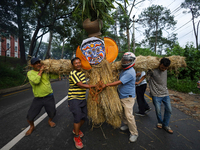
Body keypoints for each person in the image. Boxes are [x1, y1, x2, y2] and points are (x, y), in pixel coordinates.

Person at [102, 52, 138, 142]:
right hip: (122, 95)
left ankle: (134, 133)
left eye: (127, 61)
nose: (125, 62)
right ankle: (126, 125)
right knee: (123, 113)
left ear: (132, 61)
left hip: (128, 98)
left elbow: (119, 82)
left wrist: (106, 85)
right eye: (124, 60)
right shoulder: (124, 70)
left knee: (129, 115)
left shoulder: (130, 72)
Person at [68, 57, 96, 149]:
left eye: (79, 63)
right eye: (76, 63)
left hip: (82, 99)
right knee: (77, 118)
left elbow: (87, 79)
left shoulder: (82, 73)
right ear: (73, 65)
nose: (78, 64)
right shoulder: (73, 73)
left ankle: (76, 129)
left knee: (84, 117)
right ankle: (76, 137)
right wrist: (95, 86)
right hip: (74, 99)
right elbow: (81, 85)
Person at [26, 58, 56, 136]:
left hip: (49, 96)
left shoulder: (46, 72)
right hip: (38, 98)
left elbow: (55, 77)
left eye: (39, 62)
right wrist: (41, 71)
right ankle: (32, 126)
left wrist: (54, 69)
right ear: (32, 65)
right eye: (36, 63)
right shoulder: (30, 73)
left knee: (52, 112)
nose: (38, 64)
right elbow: (36, 81)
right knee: (30, 116)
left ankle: (50, 121)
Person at [147, 57, 173, 134]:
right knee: (158, 110)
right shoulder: (152, 70)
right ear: (159, 64)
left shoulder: (166, 69)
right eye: (162, 67)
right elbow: (147, 77)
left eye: (165, 68)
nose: (164, 69)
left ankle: (165, 125)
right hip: (155, 94)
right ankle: (160, 122)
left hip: (165, 93)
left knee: (169, 110)